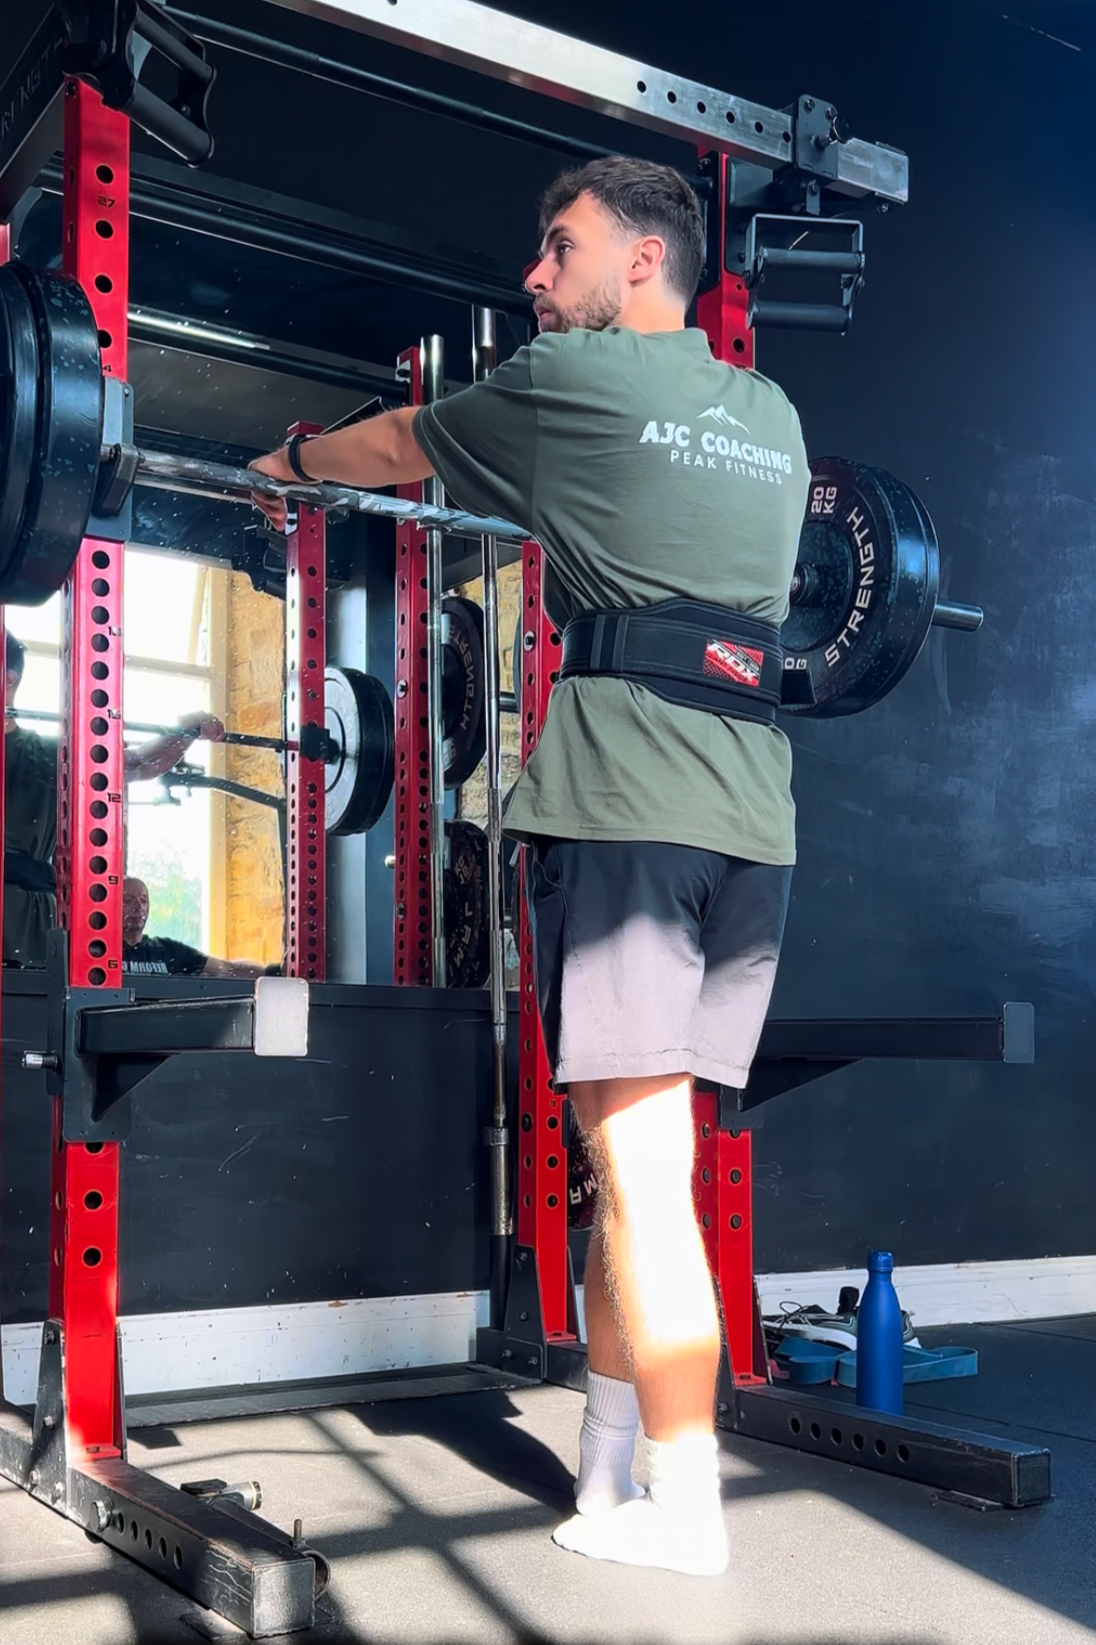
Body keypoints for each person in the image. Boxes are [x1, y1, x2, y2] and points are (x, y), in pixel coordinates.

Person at [250, 156, 809, 1578]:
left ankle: (688, 1512)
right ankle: (610, 1470)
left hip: (628, 808)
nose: (535, 278)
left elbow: (396, 450)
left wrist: (290, 465)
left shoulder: (580, 389)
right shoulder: (773, 418)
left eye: (559, 250)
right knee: (632, 1176)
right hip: (751, 824)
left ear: (641, 263)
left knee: (641, 1169)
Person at [3, 632, 227, 966]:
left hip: (21, 933)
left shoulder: (44, 755)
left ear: (9, 678)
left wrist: (187, 730)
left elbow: (136, 764)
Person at [122, 876, 272, 978]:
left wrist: (272, 972)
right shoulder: (101, 952)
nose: (138, 907)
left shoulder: (167, 951)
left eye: (143, 900)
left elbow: (225, 969)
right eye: (128, 900)